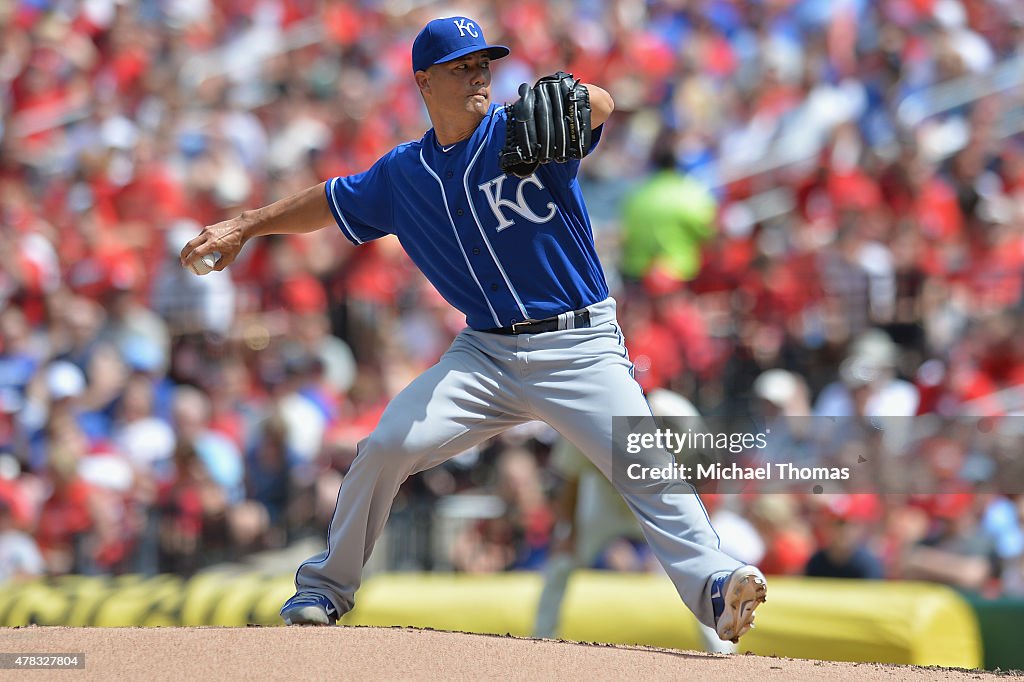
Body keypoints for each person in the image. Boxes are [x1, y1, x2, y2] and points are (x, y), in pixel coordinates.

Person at [180, 16, 766, 644]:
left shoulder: (521, 130)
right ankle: (323, 589)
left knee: (643, 462)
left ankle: (715, 585)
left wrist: (584, 96)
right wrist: (245, 224)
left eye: (484, 63)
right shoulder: (403, 174)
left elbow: (599, 106)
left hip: (578, 345)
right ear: (424, 81)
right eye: (462, 66)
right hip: (484, 353)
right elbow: (328, 199)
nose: (478, 75)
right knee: (386, 447)